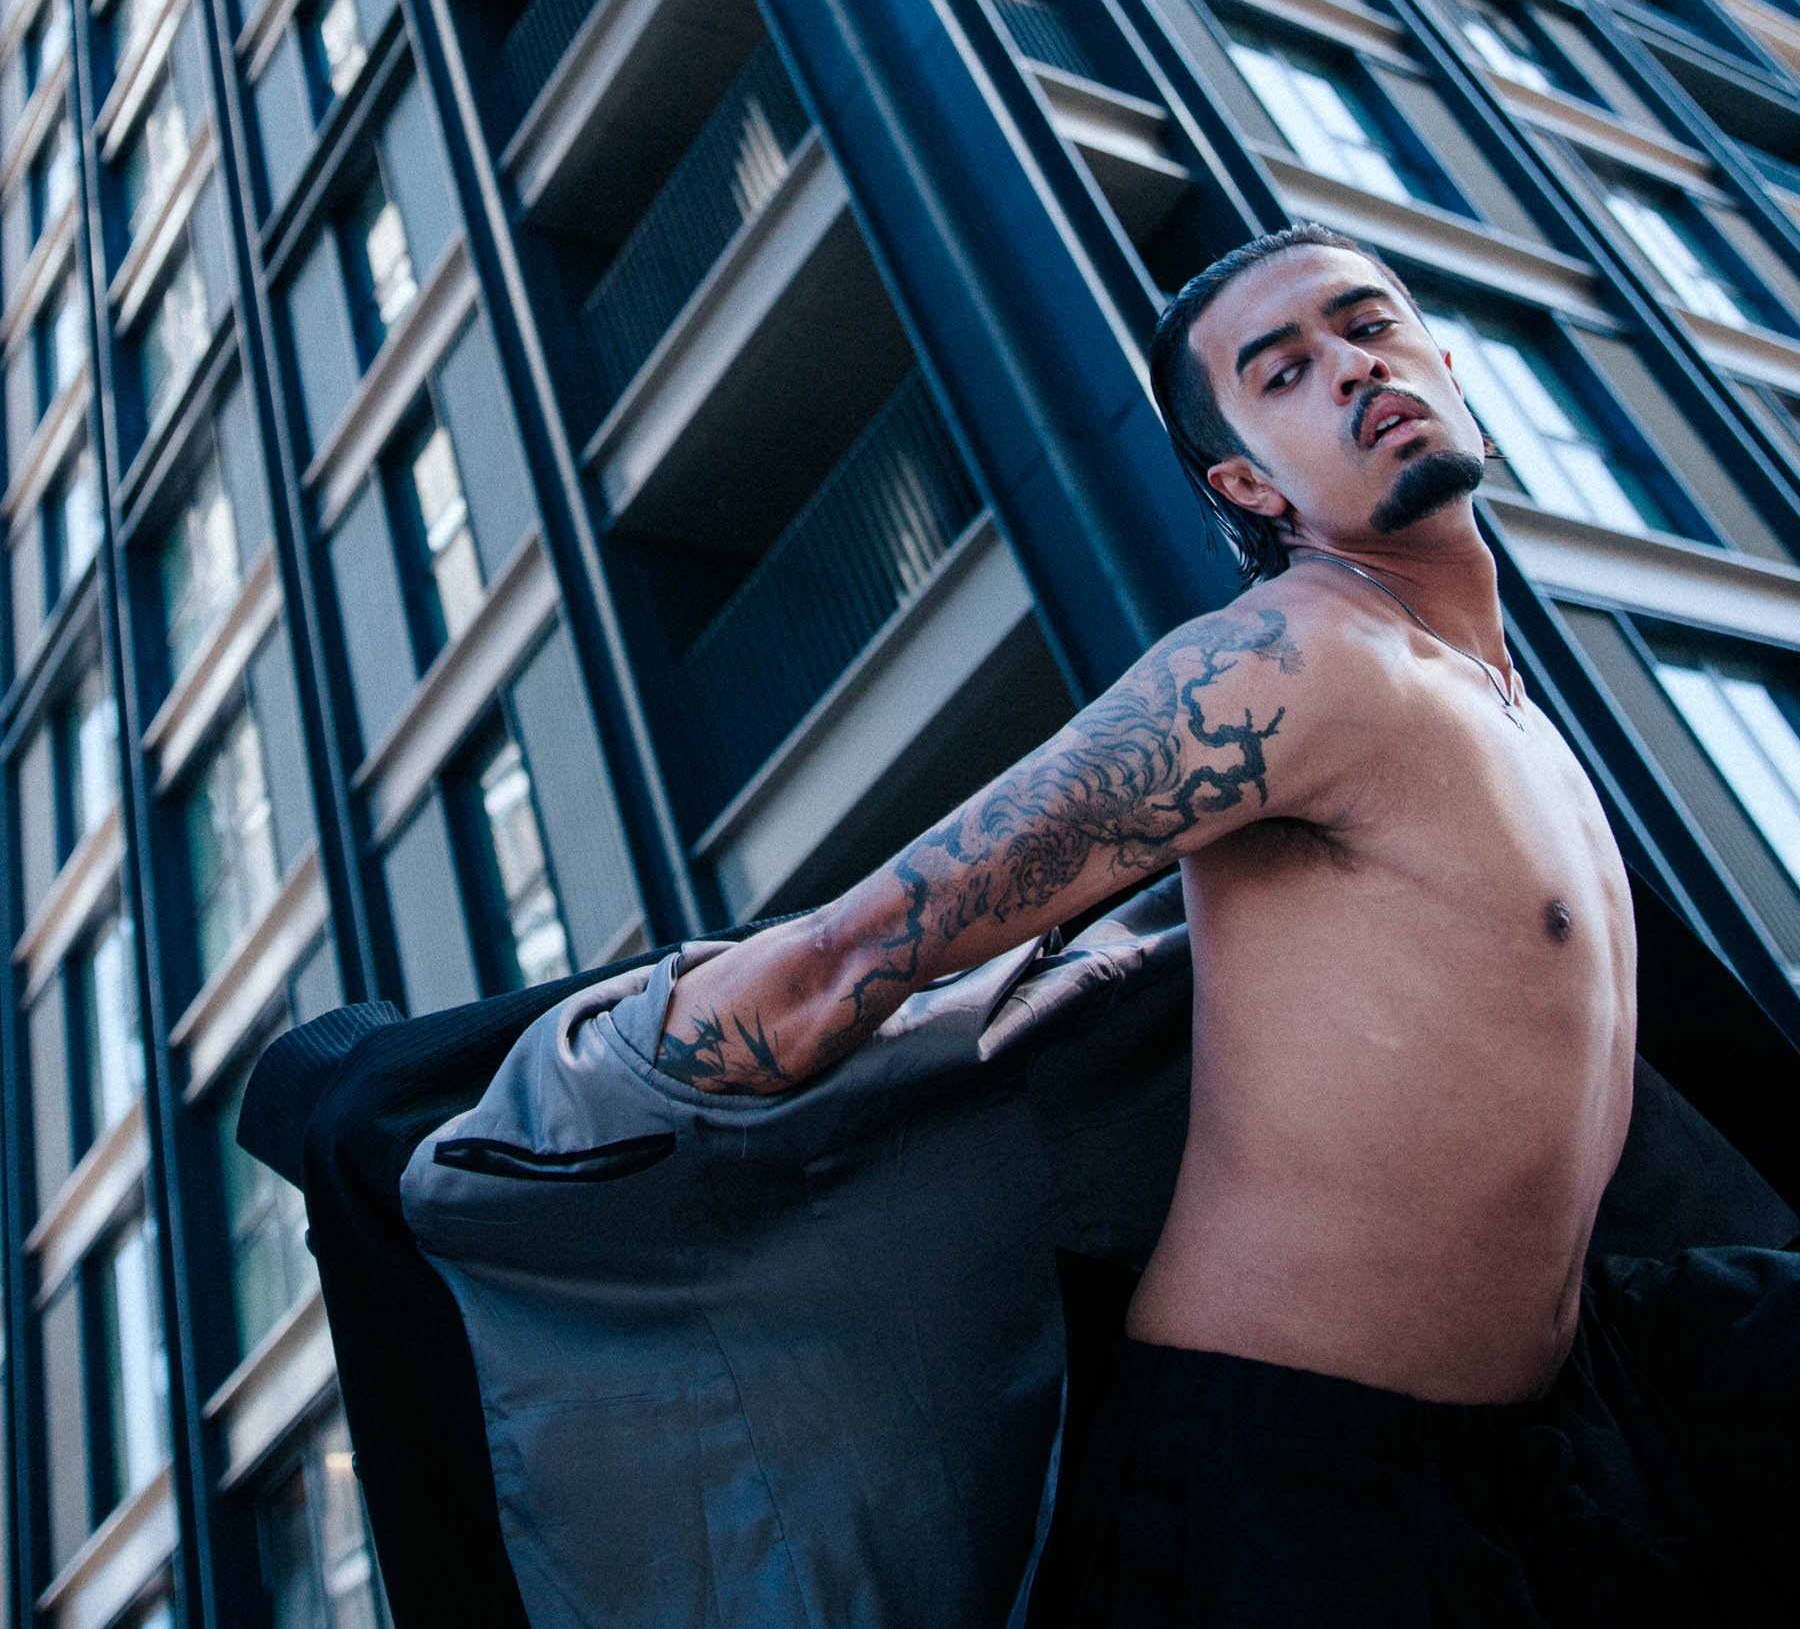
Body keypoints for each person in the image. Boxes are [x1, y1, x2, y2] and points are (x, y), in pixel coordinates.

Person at [653, 221, 1799, 1624]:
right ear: (1248, 481)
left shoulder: (1509, 712)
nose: (1349, 369)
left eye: (1366, 327)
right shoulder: (1298, 661)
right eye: (1284, 370)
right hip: (1289, 1505)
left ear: (1447, 365)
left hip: (1543, 1454)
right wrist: (557, 1092)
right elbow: (841, 965)